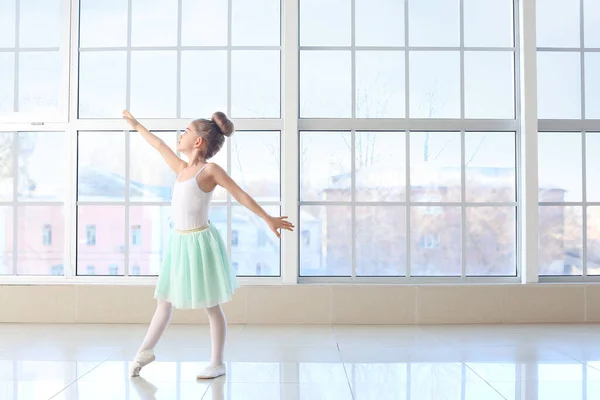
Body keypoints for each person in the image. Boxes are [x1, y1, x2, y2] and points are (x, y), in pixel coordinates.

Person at [123, 110, 294, 379]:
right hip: (178, 242)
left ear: (198, 141)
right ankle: (145, 351)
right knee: (164, 301)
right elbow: (158, 145)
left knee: (212, 305)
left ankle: (217, 362)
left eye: (186, 131)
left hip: (200, 243)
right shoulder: (182, 169)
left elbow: (240, 194)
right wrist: (136, 125)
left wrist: (268, 218)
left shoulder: (209, 171)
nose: (181, 135)